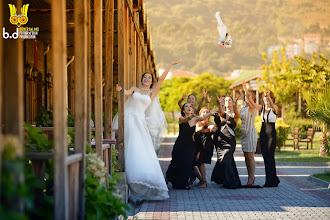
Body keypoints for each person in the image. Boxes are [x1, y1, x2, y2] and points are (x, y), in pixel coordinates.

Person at [115, 59, 182, 201]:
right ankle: (123, 172)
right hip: (128, 118)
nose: (147, 79)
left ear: (151, 81)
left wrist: (170, 65)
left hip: (139, 121)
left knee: (139, 148)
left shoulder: (152, 92)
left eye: (149, 77)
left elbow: (162, 79)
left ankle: (141, 179)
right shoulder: (135, 89)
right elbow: (126, 92)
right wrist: (120, 90)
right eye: (145, 77)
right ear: (142, 80)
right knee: (127, 145)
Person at [166, 103, 216, 190]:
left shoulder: (195, 118)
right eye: (186, 106)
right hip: (180, 144)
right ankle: (166, 179)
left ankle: (184, 183)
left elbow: (203, 118)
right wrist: (192, 116)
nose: (189, 108)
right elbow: (186, 120)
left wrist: (210, 113)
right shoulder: (181, 118)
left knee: (188, 163)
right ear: (183, 110)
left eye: (190, 107)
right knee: (175, 162)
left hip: (190, 145)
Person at [246, 90, 280, 187]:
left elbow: (273, 106)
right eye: (265, 99)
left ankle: (271, 180)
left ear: (271, 99)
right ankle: (272, 179)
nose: (266, 101)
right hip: (263, 134)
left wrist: (268, 96)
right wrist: (248, 97)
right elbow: (254, 104)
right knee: (265, 157)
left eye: (268, 99)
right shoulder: (262, 108)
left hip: (271, 135)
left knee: (270, 156)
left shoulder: (275, 108)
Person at [211, 95, 241, 189]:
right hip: (220, 141)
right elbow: (220, 112)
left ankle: (231, 182)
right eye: (226, 100)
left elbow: (236, 112)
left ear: (232, 102)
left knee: (226, 159)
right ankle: (226, 180)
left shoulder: (235, 115)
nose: (228, 102)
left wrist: (236, 103)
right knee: (225, 161)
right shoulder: (222, 114)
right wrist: (220, 103)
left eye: (230, 100)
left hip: (230, 141)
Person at [194, 107, 217, 188]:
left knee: (199, 160)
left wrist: (212, 127)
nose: (205, 113)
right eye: (203, 112)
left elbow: (213, 128)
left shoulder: (210, 123)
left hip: (206, 144)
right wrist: (205, 127)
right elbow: (197, 129)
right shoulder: (198, 122)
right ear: (200, 114)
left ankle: (204, 181)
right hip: (197, 144)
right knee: (193, 162)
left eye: (207, 112)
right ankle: (201, 180)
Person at [240, 81, 258, 186]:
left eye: (250, 97)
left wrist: (246, 89)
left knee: (250, 156)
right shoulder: (244, 107)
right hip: (244, 134)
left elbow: (249, 99)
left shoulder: (252, 107)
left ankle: (251, 178)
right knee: (246, 156)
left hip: (251, 133)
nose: (247, 98)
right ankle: (249, 176)